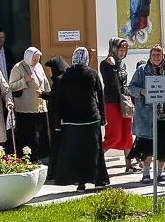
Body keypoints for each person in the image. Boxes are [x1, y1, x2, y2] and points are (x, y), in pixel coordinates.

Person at [50, 47, 108, 191]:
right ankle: (98, 180)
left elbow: (59, 100)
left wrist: (58, 121)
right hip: (91, 118)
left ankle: (80, 182)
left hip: (72, 120)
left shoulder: (65, 75)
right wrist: (103, 118)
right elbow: (100, 96)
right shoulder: (92, 74)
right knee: (94, 151)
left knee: (76, 152)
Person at [128, 46, 165, 182]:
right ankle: (146, 174)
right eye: (154, 54)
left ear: (163, 56)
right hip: (147, 118)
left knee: (163, 147)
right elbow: (131, 88)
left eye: (159, 54)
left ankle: (160, 173)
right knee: (147, 148)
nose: (156, 57)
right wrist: (142, 92)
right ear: (150, 56)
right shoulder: (142, 71)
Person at [8, 46, 50, 161]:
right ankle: (28, 160)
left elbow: (45, 83)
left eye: (38, 58)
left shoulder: (39, 67)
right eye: (34, 59)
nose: (36, 61)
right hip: (25, 109)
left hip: (40, 108)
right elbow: (11, 86)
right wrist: (24, 81)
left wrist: (49, 96)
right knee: (28, 136)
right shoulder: (18, 68)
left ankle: (41, 159)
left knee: (41, 136)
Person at [99, 38, 135, 172]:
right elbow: (111, 82)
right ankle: (95, 159)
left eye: (124, 50)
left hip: (125, 101)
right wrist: (113, 67)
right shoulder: (105, 64)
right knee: (114, 135)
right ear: (114, 49)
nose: (122, 53)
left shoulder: (122, 64)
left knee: (127, 134)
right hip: (112, 101)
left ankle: (129, 164)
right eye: (120, 50)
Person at [42, 55, 68, 147]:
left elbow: (56, 98)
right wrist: (42, 94)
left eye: (49, 69)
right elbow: (54, 96)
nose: (48, 72)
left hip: (59, 117)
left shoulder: (59, 80)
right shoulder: (62, 78)